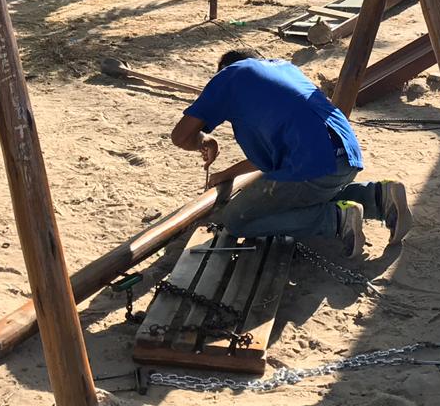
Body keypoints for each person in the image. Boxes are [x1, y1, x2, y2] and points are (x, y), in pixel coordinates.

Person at [170, 51, 412, 258]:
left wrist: (206, 140)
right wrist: (226, 174)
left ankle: (335, 219)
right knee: (302, 196)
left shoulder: (229, 76)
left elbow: (180, 137)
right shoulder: (284, 70)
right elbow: (268, 163)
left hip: (310, 164)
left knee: (237, 219)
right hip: (345, 156)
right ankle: (378, 196)